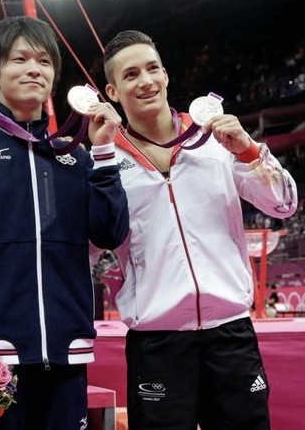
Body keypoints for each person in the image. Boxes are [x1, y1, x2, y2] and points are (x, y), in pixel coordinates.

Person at [0, 16, 129, 430]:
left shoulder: (76, 157)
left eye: (43, 61)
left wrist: (104, 154)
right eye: (19, 59)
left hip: (66, 350)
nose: (34, 68)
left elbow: (109, 233)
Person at [96, 30, 298, 429]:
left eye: (152, 68)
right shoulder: (104, 160)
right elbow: (90, 242)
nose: (146, 81)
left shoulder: (216, 140)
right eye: (131, 74)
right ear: (112, 92)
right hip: (158, 341)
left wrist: (248, 151)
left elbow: (284, 204)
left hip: (231, 334)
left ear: (167, 75)